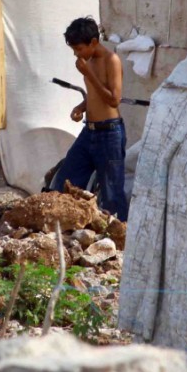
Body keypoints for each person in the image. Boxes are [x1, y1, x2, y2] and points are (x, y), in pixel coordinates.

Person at [50, 16, 128, 221]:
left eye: (79, 49)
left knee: (112, 193)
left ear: (93, 42)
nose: (77, 54)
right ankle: (69, 229)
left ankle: (119, 239)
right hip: (90, 132)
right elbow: (94, 94)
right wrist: (80, 107)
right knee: (66, 181)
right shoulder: (89, 61)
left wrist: (88, 73)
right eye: (74, 50)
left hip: (109, 133)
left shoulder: (111, 60)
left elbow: (114, 100)